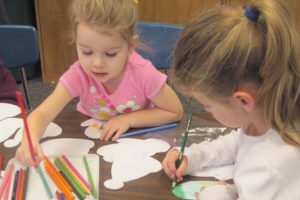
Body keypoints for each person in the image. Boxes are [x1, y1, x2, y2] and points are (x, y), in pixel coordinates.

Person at [16, 0, 183, 166]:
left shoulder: (143, 73)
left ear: (131, 45)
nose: (97, 63)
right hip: (92, 139)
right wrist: (28, 142)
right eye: (86, 51)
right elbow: (42, 114)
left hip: (136, 142)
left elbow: (175, 111)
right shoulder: (78, 74)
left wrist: (128, 120)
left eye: (110, 54)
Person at [162, 0, 300, 199]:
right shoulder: (270, 114)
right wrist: (194, 156)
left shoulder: (267, 165)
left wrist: (217, 193)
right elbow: (239, 141)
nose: (207, 110)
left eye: (207, 105)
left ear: (243, 101)